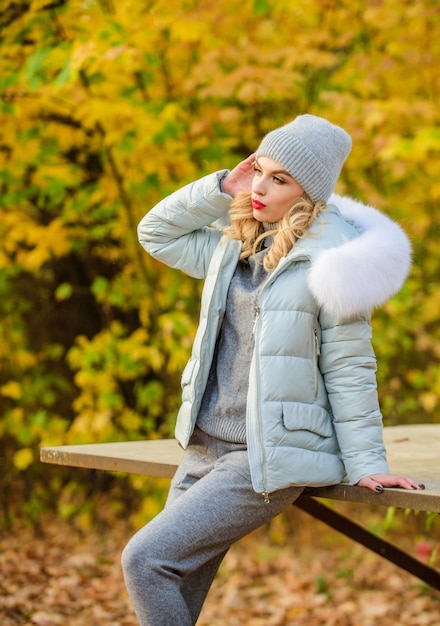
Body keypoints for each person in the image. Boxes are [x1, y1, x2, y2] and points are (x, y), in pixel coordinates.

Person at [122, 114, 424, 626]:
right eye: (258, 170)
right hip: (203, 444)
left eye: (279, 179)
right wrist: (223, 185)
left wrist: (368, 460)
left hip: (262, 456)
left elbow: (350, 368)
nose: (259, 187)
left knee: (145, 561)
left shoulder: (331, 265)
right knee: (174, 580)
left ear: (309, 192)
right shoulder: (233, 245)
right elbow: (155, 232)